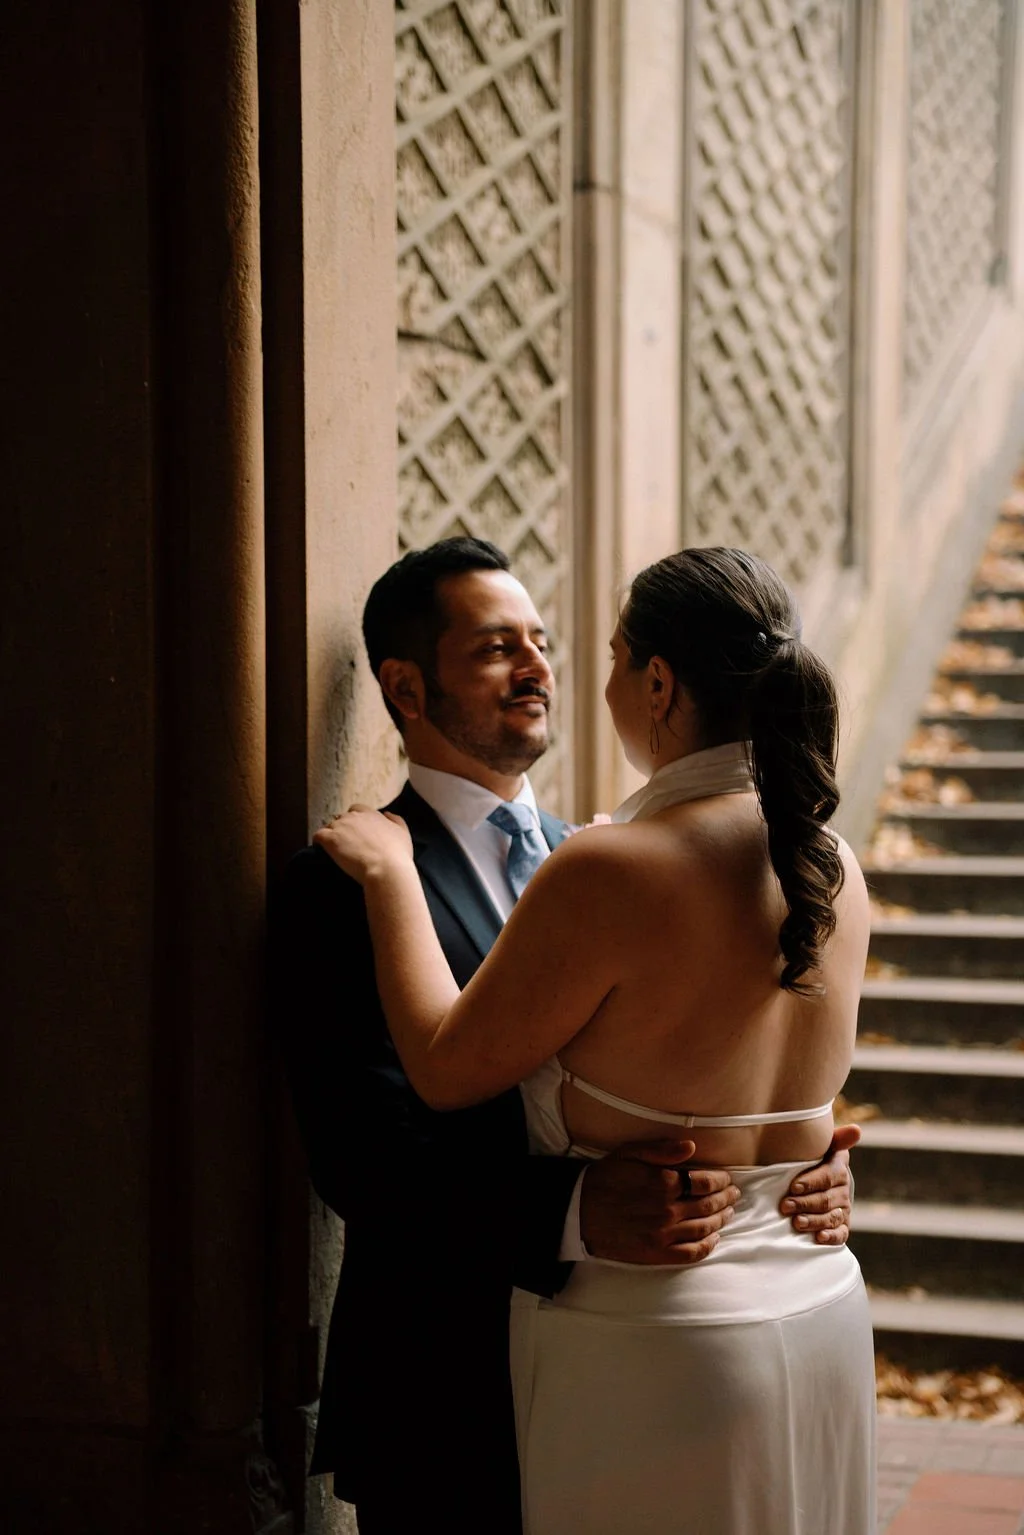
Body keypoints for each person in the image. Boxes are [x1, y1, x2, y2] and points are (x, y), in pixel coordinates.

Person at [273, 538, 859, 1534]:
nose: (539, 666)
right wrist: (574, 1211)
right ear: (405, 686)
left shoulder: (610, 853)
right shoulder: (340, 883)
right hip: (447, 1388)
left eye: (544, 641)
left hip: (646, 1357)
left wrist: (808, 1156)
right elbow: (360, 1157)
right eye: (497, 647)